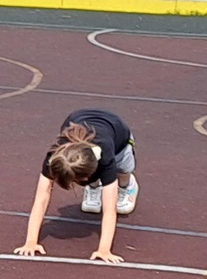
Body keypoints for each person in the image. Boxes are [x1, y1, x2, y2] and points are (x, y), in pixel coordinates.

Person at [15, 108, 137, 263]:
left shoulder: (106, 157)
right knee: (80, 171)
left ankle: (127, 186)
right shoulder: (55, 157)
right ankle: (93, 187)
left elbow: (110, 209)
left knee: (124, 169)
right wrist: (31, 241)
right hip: (79, 123)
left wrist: (104, 249)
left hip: (119, 137)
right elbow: (41, 199)